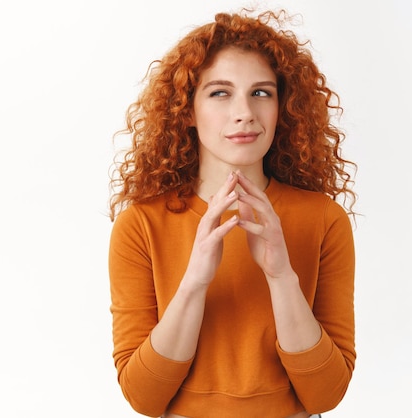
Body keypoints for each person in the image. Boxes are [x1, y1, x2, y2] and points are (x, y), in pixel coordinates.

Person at [107, 8, 358, 418]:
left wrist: (281, 276)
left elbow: (325, 395)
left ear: (283, 108)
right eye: (220, 92)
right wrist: (194, 282)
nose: (244, 112)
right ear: (187, 110)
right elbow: (143, 397)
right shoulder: (141, 225)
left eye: (261, 92)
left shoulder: (323, 219)